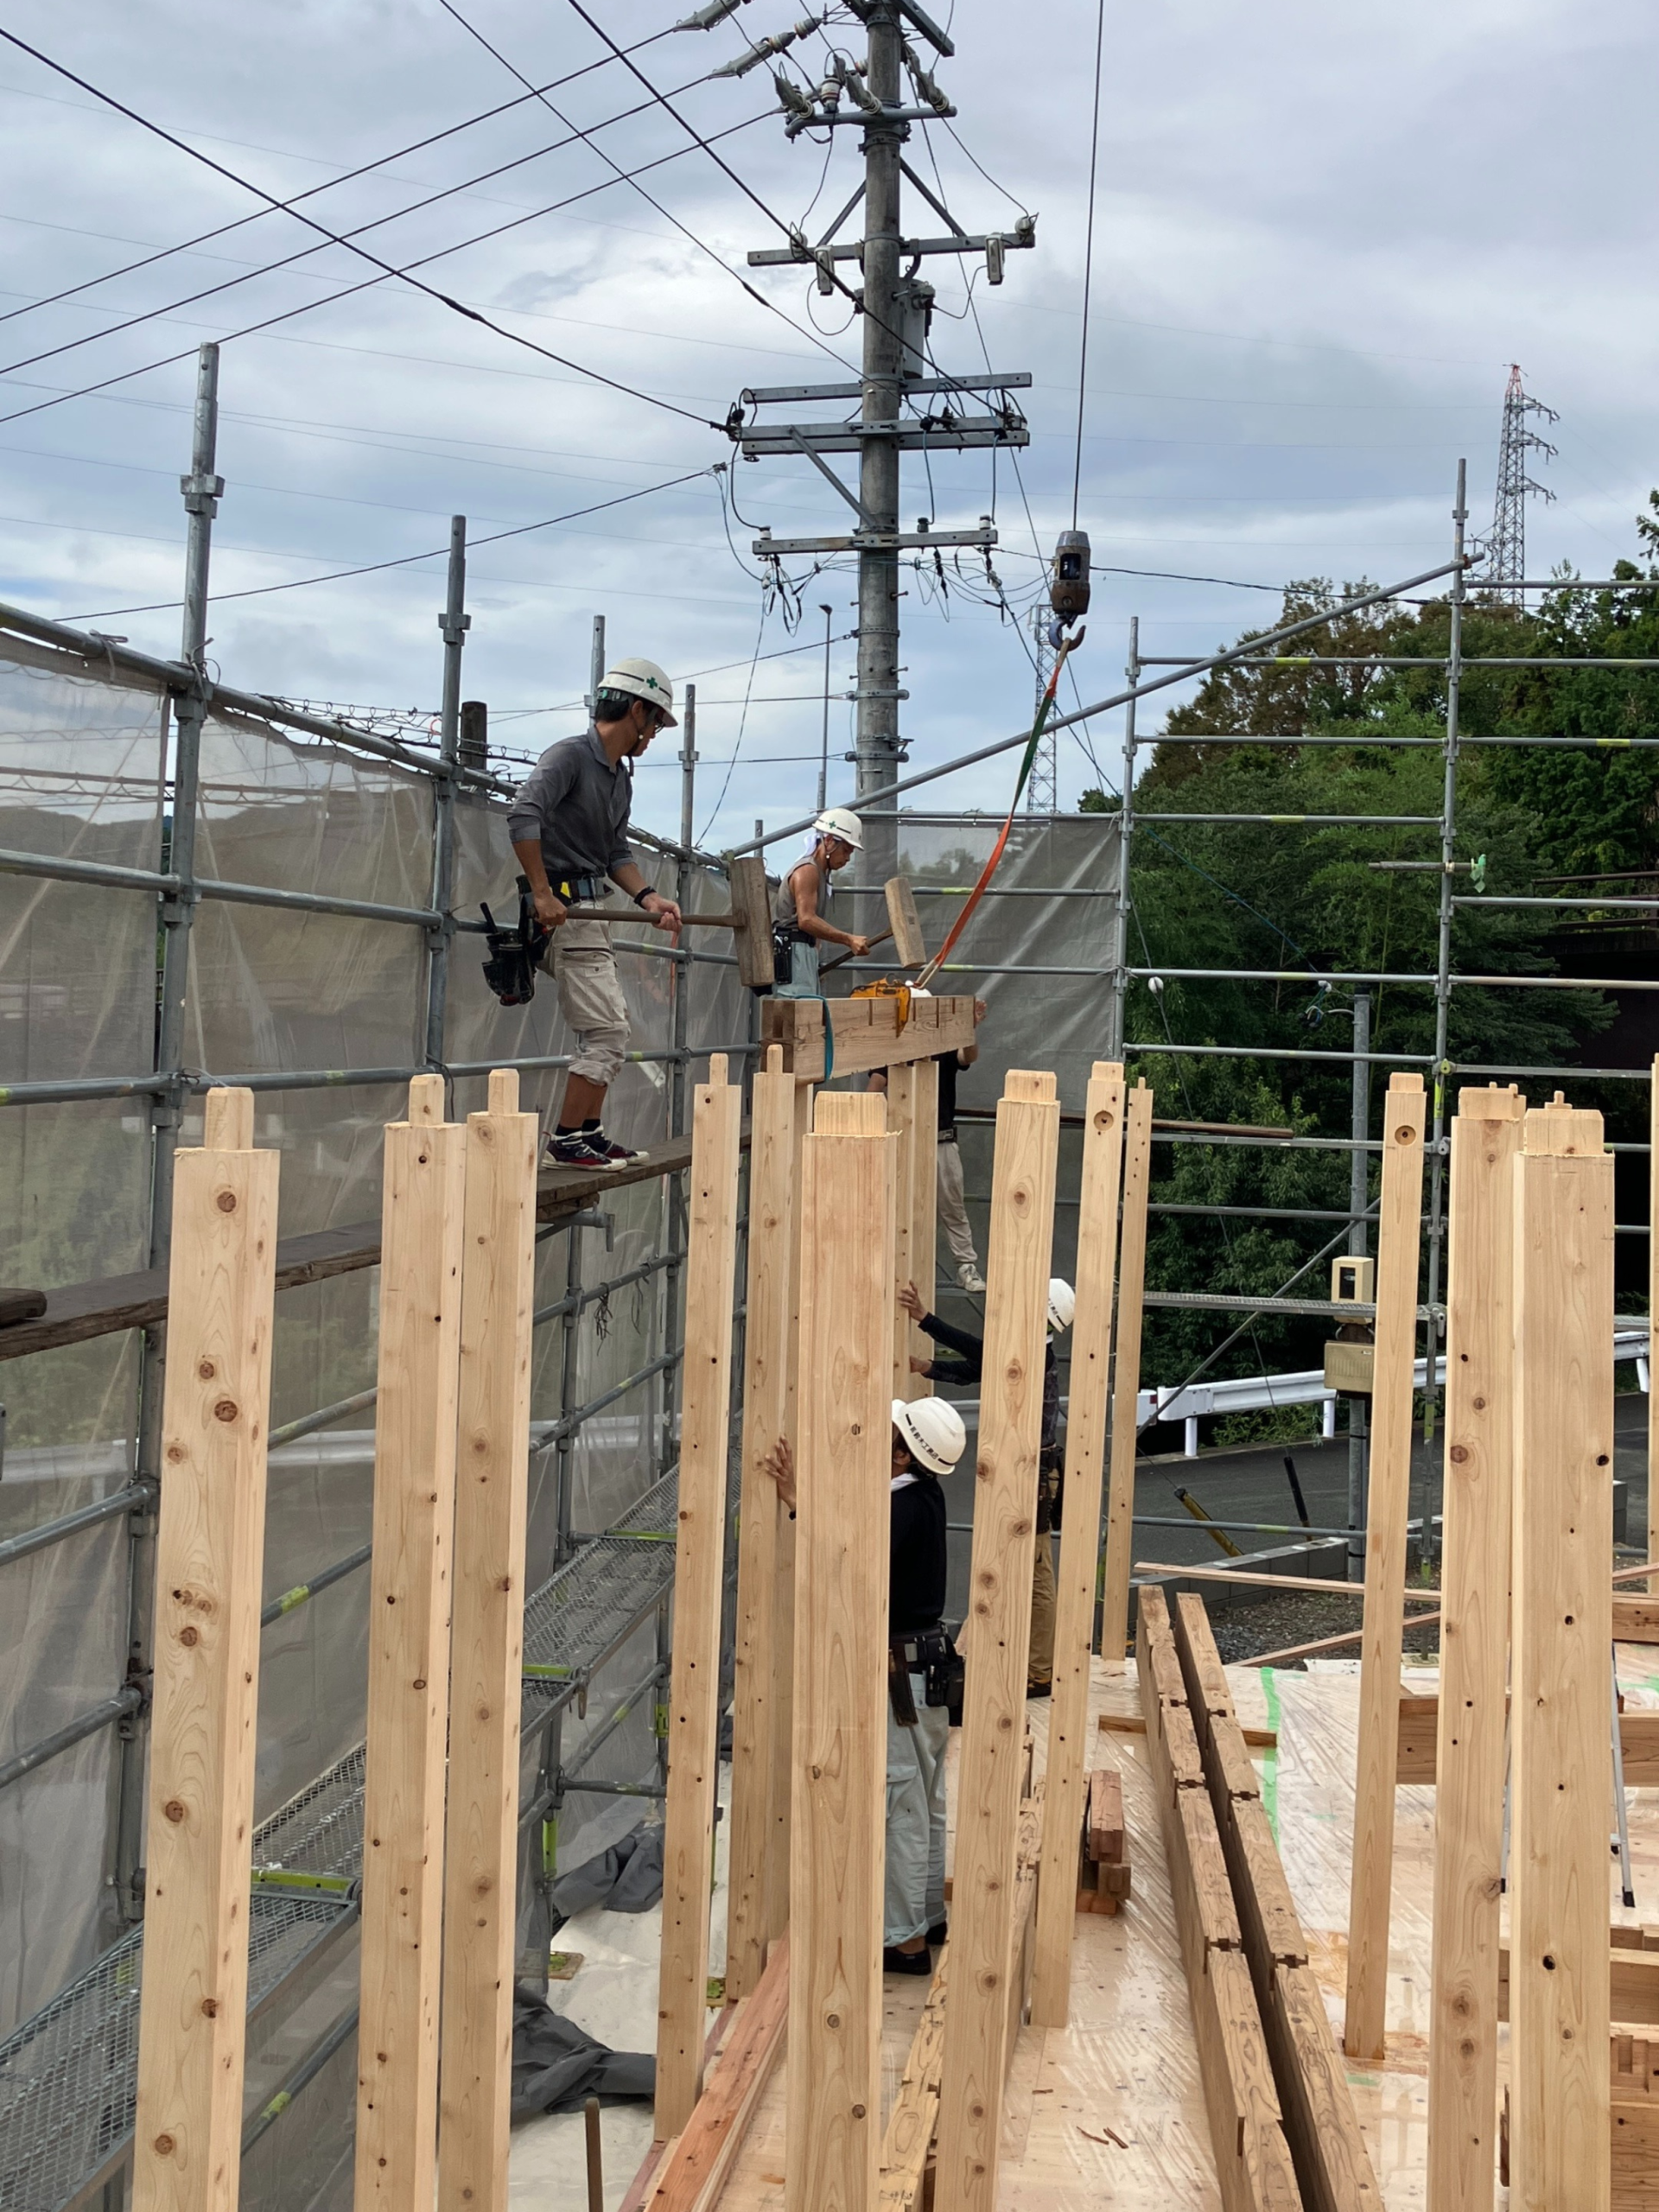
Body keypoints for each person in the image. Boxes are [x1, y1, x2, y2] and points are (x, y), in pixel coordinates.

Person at [761, 1395, 967, 1976]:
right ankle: (926, 1917)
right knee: (924, 1797)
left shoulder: (900, 1509)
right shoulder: (923, 1497)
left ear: (903, 1455)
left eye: (890, 1434)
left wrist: (798, 1503)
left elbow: (846, 1564)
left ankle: (903, 1943)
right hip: (926, 1668)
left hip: (903, 1674)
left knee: (901, 1801)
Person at [507, 658, 683, 1167]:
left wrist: (648, 898)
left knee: (612, 1028)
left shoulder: (618, 779)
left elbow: (614, 853)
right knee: (606, 1031)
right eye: (655, 725)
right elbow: (523, 815)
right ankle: (566, 1140)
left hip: (592, 911)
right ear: (636, 711)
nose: (653, 738)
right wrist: (543, 892)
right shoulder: (569, 757)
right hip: (567, 912)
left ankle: (588, 1130)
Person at [897, 1276, 1075, 1696]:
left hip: (1034, 1471)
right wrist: (930, 1368)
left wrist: (926, 1320)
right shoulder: (1030, 1351)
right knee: (1027, 1567)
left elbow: (984, 1353)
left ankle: (1038, 1672)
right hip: (1029, 1468)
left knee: (1034, 1572)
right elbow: (984, 1368)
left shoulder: (1035, 1352)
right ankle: (1026, 1661)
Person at [771, 807, 869, 997]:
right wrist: (849, 939)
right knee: (798, 1018)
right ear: (830, 841)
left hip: (802, 954)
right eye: (846, 851)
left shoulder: (820, 875)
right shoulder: (807, 871)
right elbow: (806, 920)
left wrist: (812, 959)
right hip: (792, 955)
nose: (847, 858)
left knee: (810, 1017)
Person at [935, 1007, 988, 1293]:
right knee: (899, 1210)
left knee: (953, 1208)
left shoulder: (940, 1046)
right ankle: (896, 1266)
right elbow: (876, 1085)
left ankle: (966, 1267)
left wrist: (969, 1028)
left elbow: (968, 1056)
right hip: (905, 1142)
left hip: (941, 1141)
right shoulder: (894, 1051)